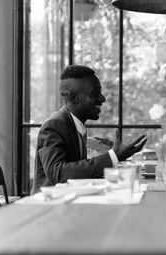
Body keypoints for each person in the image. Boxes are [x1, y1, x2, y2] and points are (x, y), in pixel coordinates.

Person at [31, 65, 147, 194]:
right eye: (95, 93)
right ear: (74, 98)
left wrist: (109, 154)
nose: (102, 99)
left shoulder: (75, 125)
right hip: (48, 208)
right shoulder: (54, 125)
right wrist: (113, 156)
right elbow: (58, 173)